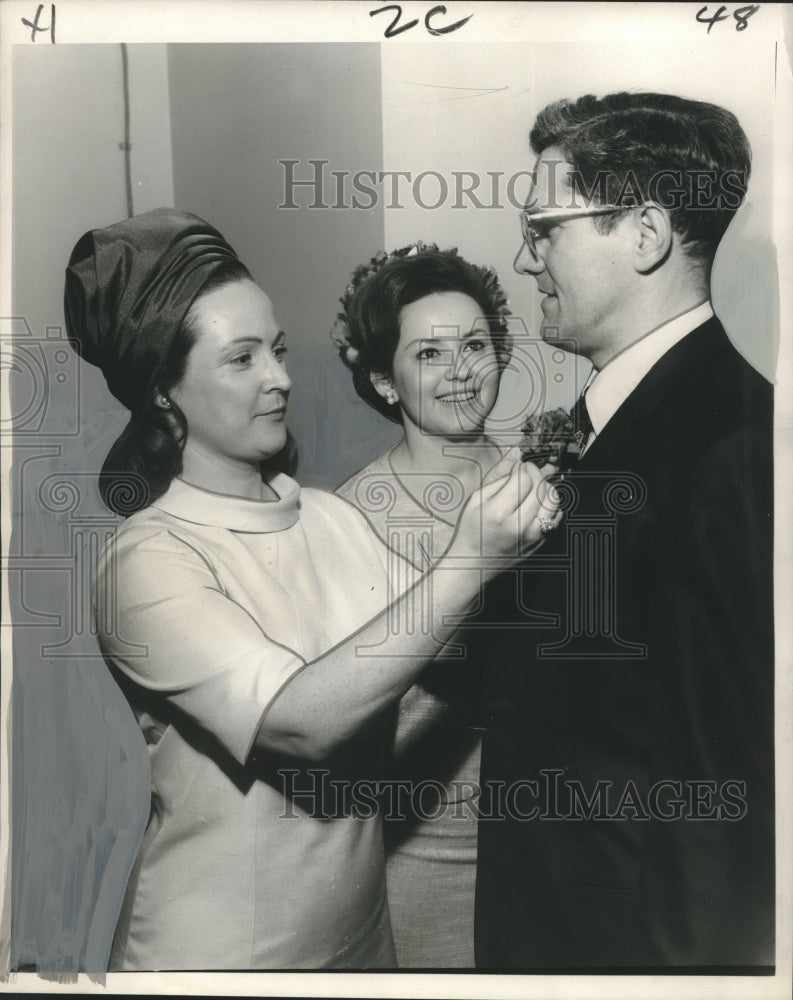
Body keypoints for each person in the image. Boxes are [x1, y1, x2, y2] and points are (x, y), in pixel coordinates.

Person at [64, 208, 558, 971]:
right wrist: (471, 557)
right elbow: (300, 724)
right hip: (224, 962)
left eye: (279, 350)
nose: (281, 378)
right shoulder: (148, 561)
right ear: (163, 389)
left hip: (362, 945)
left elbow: (456, 650)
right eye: (242, 360)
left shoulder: (326, 517)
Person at [475, 92, 774, 969]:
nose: (524, 259)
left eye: (544, 228)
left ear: (644, 235)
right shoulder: (625, 415)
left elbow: (725, 789)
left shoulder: (729, 443)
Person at [332, 245, 512, 967]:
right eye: (429, 353)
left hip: (554, 841)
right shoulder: (352, 520)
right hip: (425, 864)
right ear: (383, 380)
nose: (461, 369)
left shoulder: (549, 483)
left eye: (474, 344)